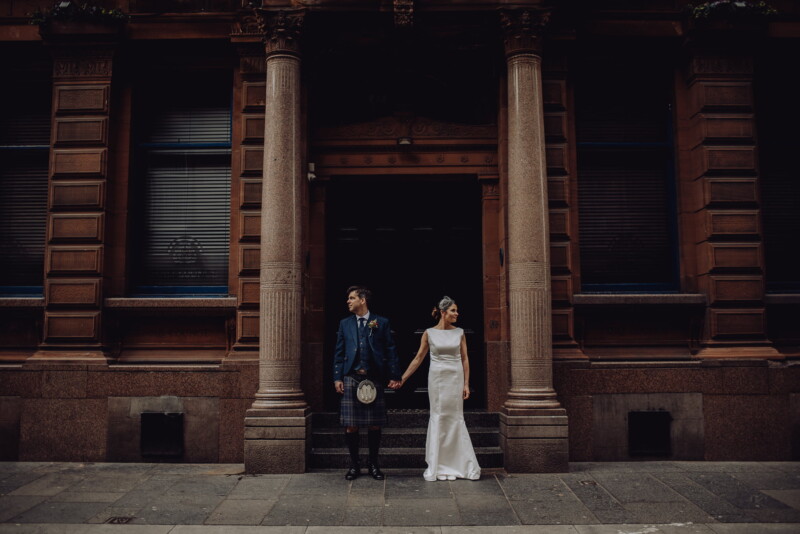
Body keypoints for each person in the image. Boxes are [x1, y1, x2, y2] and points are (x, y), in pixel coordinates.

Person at [399, 296, 481, 481]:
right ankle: (437, 464)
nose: (457, 313)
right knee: (439, 416)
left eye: (457, 310)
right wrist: (403, 378)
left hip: (455, 378)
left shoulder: (459, 332)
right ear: (443, 312)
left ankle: (459, 464)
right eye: (453, 310)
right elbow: (419, 358)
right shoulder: (429, 333)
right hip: (437, 379)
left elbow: (465, 358)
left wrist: (466, 383)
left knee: (455, 418)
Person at [333, 286, 403, 480]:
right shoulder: (345, 324)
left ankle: (373, 465)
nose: (348, 301)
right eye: (348, 298)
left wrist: (395, 375)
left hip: (374, 378)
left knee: (374, 425)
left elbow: (391, 350)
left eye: (352, 298)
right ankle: (354, 466)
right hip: (351, 377)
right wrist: (337, 377)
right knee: (351, 425)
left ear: (362, 300)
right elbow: (339, 353)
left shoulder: (381, 322)